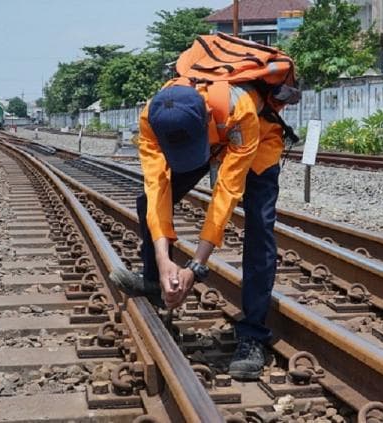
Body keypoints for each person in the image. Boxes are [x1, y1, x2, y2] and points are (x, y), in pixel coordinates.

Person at [110, 37, 300, 380]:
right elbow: (157, 189)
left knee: (259, 227)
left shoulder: (238, 109)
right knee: (144, 201)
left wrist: (195, 267)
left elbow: (225, 194)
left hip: (254, 140)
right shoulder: (151, 118)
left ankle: (254, 334)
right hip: (209, 137)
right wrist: (167, 259)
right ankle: (155, 280)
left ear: (203, 122)